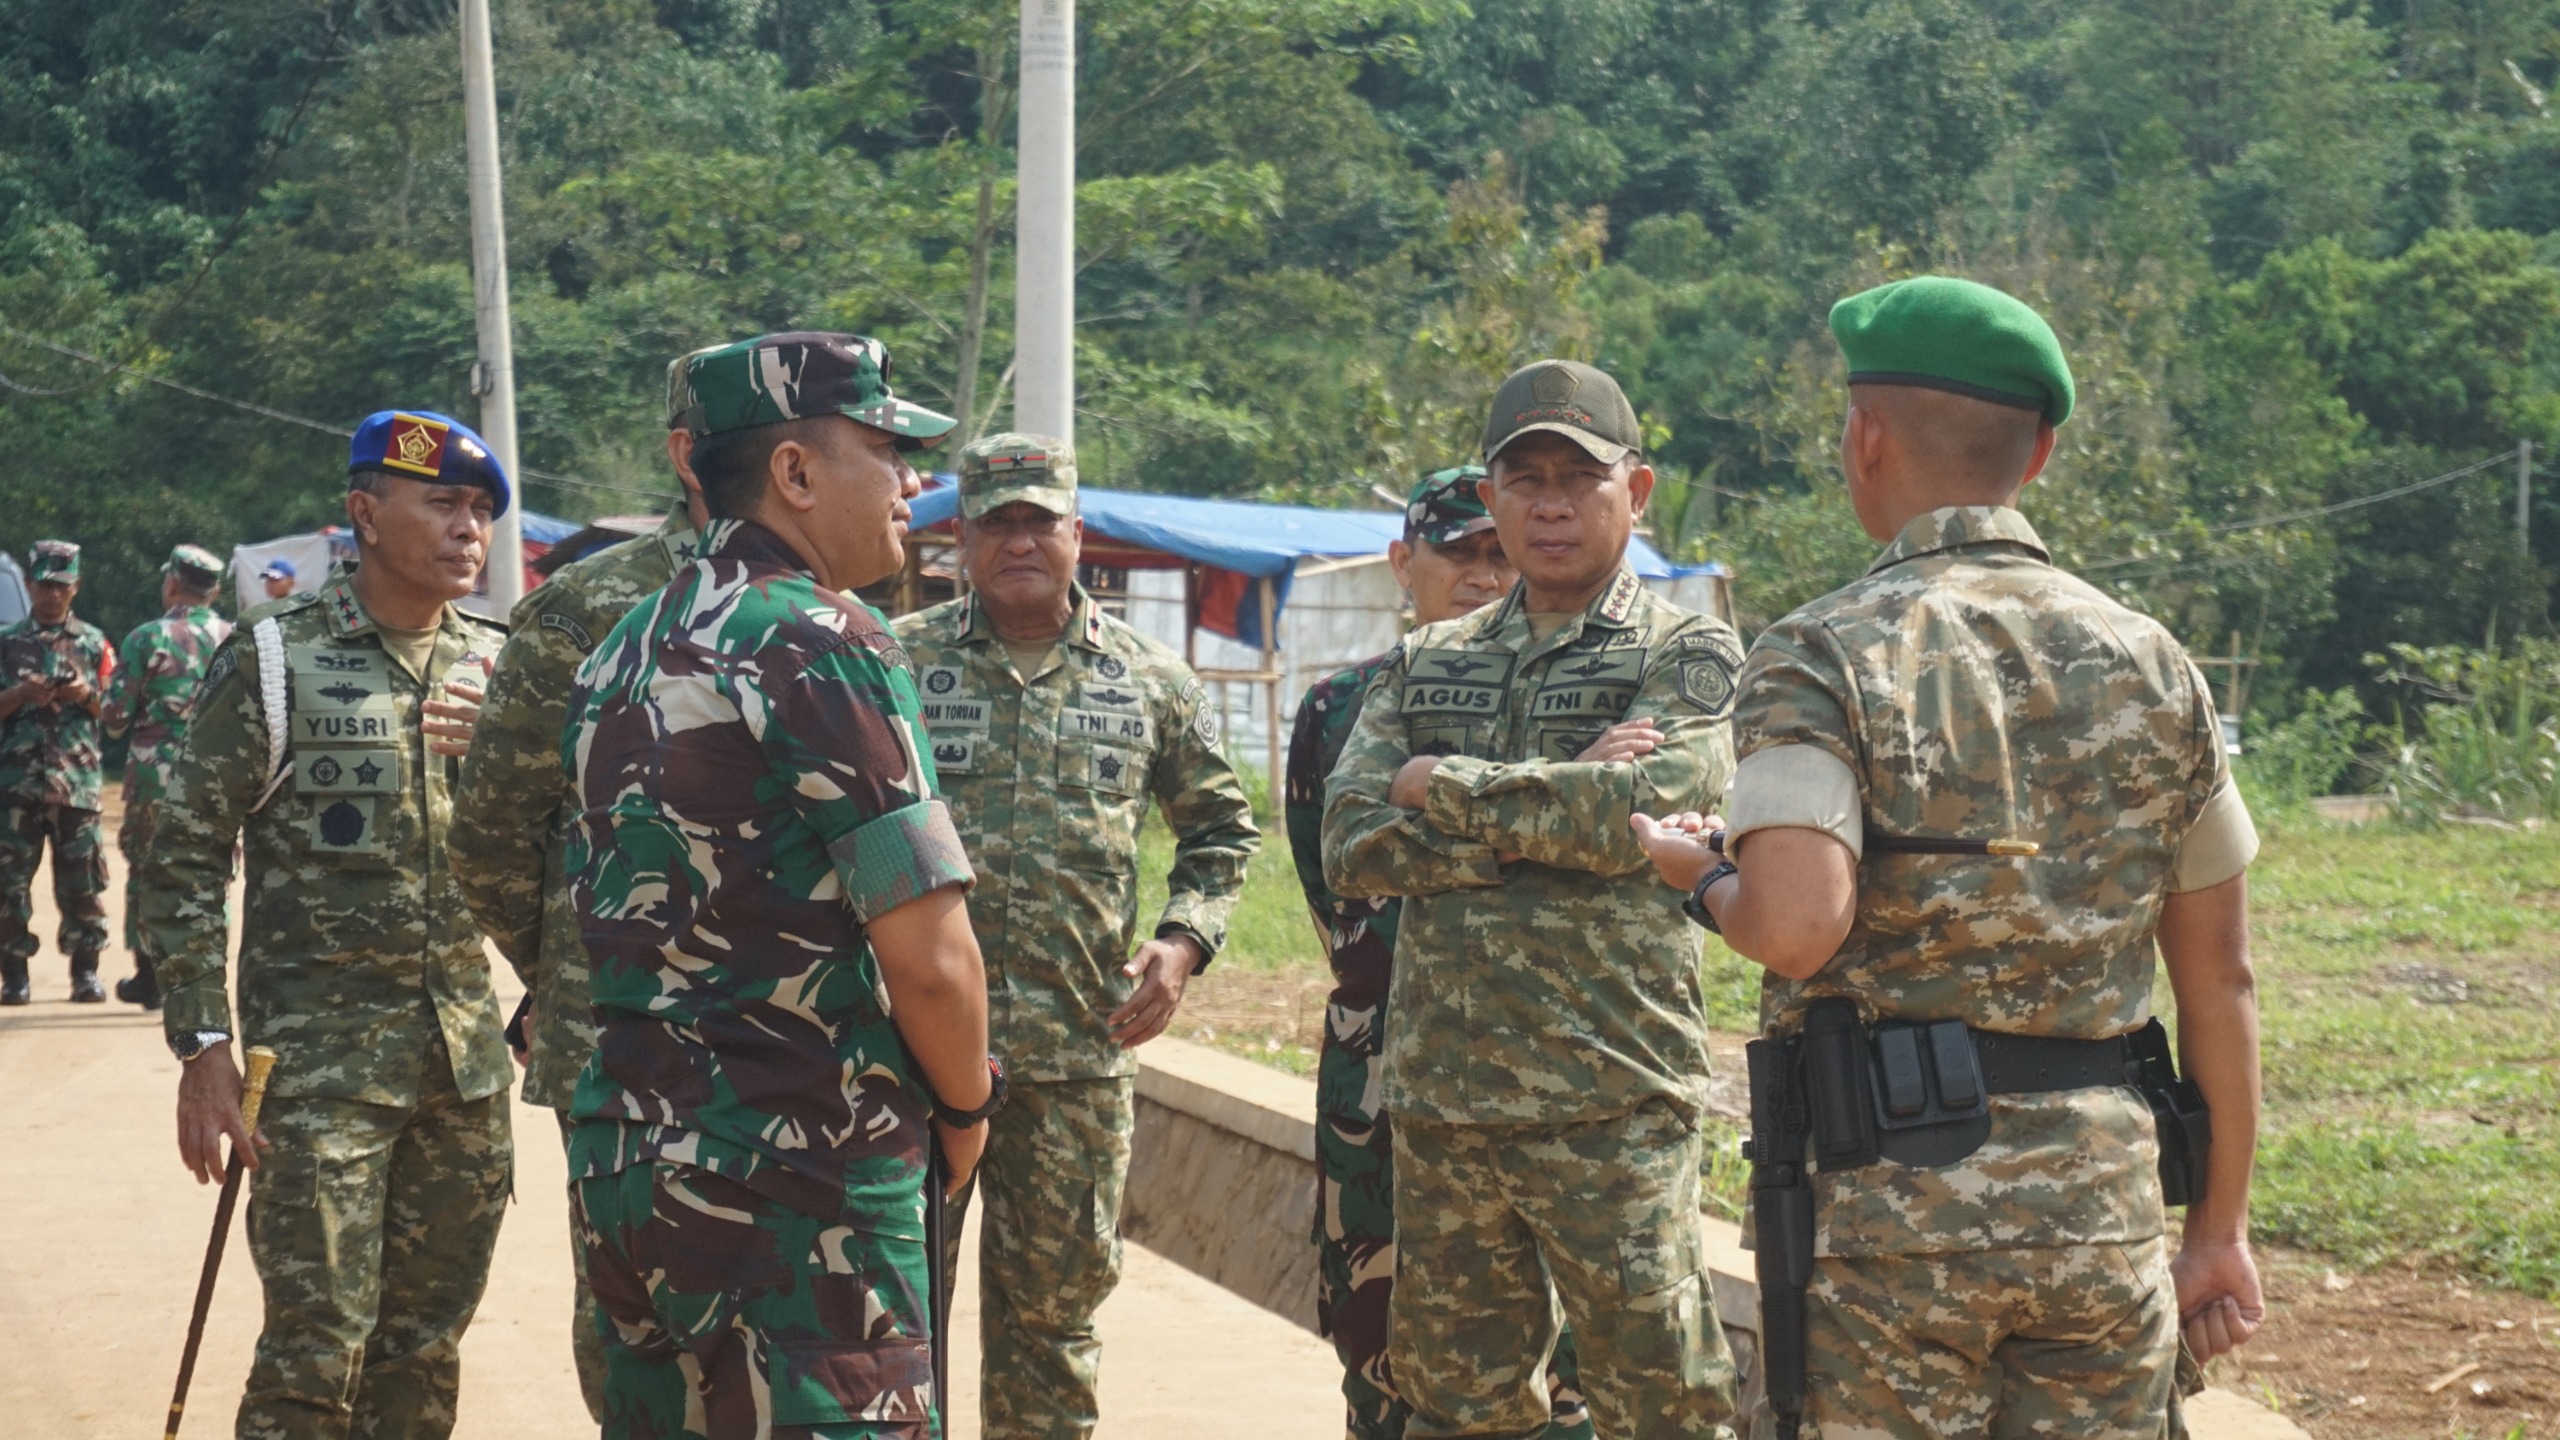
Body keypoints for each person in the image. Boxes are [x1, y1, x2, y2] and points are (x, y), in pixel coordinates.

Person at [1628, 275, 2264, 1438]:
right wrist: (2215, 1234)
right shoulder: (2156, 661)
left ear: (1864, 438)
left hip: (1892, 1228)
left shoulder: (1821, 653)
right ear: (2041, 453)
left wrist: (1704, 878)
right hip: (2101, 1214)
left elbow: (1795, 924)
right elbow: (2219, 976)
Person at [561, 331, 997, 1440]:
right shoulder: (821, 639)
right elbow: (929, 954)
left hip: (633, 1169)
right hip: (800, 1184)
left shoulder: (621, 650)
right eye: (888, 450)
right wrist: (964, 1108)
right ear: (795, 474)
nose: (913, 486)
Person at [1322, 360, 1745, 1440]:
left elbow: (1647, 812)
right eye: (1525, 480)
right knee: (1462, 1401)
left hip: (1612, 1094)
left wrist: (1444, 784)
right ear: (1494, 496)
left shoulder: (1685, 650)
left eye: (1578, 478)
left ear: (1635, 492)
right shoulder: (1428, 660)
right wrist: (1557, 805)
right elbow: (1352, 844)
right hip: (1449, 1101)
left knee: (1665, 1399)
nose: (1549, 504)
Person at [144, 410, 512, 1440]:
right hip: (314, 1082)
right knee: (317, 1352)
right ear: (364, 514)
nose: (467, 530)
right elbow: (180, 853)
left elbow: (552, 861)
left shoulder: (498, 665)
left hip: (462, 1076)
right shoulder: (273, 659)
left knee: (424, 1351)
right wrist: (204, 1046)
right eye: (441, 503)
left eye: (479, 510)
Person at [890, 433, 1259, 1440]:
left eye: (1037, 520)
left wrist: (1183, 943)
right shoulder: (893, 666)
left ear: (1076, 535)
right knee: (884, 1331)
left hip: (1074, 1064)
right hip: (905, 1058)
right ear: (959, 539)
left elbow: (1224, 828)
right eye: (995, 522)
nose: (1018, 541)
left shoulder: (1148, 679)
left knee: (1050, 1331)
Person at [1284, 466, 1608, 1440]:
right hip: (1378, 1073)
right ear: (1401, 563)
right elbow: (1333, 885)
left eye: (1493, 551)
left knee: (1556, 1376)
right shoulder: (1340, 710)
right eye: (1453, 552)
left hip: (1542, 1073)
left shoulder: (1578, 698)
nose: (1477, 573)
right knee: (1377, 1348)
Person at [450, 349, 710, 1421]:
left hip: (802, 1051)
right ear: (691, 458)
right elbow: (494, 833)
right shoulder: (585, 608)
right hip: (622, 1041)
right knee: (635, 1324)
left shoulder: (840, 611)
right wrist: (568, 967)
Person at [103, 542, 234, 1009]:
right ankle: (204, 974)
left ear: (173, 582)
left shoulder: (145, 639)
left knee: (148, 870)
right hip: (218, 778)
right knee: (211, 873)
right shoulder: (234, 637)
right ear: (214, 589)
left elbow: (115, 717)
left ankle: (149, 977)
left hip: (154, 777)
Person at [0, 539, 118, 1005]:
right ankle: (14, 976)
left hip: (77, 783)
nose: (53, 595)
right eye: (45, 585)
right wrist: (19, 695)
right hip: (15, 785)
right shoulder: (7, 644)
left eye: (62, 586)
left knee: (83, 883)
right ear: (29, 585)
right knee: (7, 885)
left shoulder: (93, 642)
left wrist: (84, 693)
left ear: (76, 588)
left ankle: (85, 973)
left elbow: (114, 712)